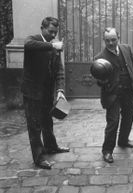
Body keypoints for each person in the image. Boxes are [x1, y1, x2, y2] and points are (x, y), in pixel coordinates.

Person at [22, 17, 70, 170]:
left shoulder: (54, 46)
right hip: (32, 92)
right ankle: (39, 157)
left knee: (47, 122)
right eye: (50, 31)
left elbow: (60, 71)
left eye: (55, 32)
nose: (53, 35)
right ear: (42, 28)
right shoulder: (34, 40)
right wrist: (52, 45)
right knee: (34, 125)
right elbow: (28, 45)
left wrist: (60, 90)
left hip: (46, 92)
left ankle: (51, 147)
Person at [95, 27, 133, 163]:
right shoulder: (99, 58)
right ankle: (107, 151)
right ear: (104, 40)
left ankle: (123, 141)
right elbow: (98, 81)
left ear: (118, 38)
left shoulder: (126, 49)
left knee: (129, 117)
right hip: (112, 94)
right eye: (107, 40)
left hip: (128, 91)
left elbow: (132, 68)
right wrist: (102, 81)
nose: (111, 43)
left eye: (113, 40)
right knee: (113, 121)